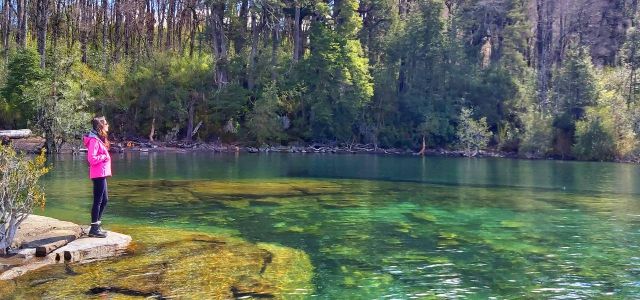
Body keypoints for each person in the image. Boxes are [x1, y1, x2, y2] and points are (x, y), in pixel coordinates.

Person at [82, 116, 112, 238]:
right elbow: (91, 159)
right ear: (101, 126)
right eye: (106, 123)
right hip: (98, 174)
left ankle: (96, 226)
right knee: (98, 201)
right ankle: (94, 229)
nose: (108, 125)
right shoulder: (94, 141)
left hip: (101, 173)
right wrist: (103, 157)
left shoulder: (98, 139)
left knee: (104, 200)